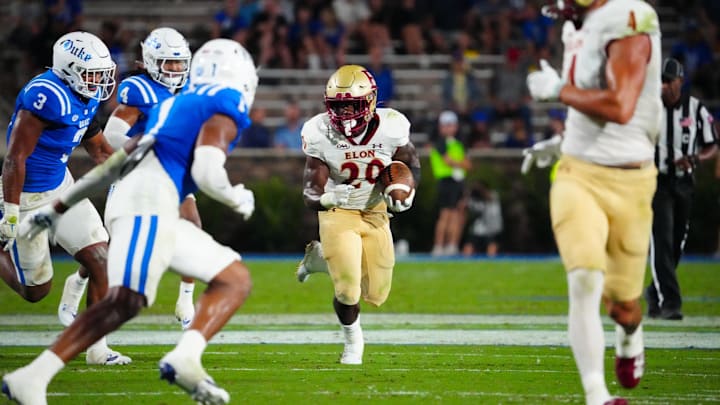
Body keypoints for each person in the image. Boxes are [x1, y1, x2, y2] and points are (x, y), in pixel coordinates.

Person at [2, 38, 258, 405]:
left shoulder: (177, 104)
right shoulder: (223, 102)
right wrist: (237, 196)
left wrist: (57, 208)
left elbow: (120, 157)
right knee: (125, 300)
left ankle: (185, 358)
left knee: (234, 278)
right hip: (147, 203)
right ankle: (32, 377)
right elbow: (205, 169)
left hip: (140, 198)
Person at [524, 1, 662, 404]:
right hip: (578, 172)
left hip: (633, 179)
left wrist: (557, 91)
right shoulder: (576, 24)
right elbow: (586, 110)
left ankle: (629, 336)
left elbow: (620, 107)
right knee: (583, 279)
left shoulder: (629, 20)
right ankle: (597, 396)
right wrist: (563, 142)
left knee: (623, 305)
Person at [0, 31, 130, 366]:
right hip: (27, 196)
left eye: (102, 73)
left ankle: (96, 349)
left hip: (61, 189)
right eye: (92, 74)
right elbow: (16, 158)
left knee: (101, 259)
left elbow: (99, 149)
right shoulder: (47, 96)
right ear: (68, 69)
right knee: (35, 292)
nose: (100, 81)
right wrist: (11, 212)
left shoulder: (85, 96)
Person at [57, 27, 201, 331]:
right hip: (135, 174)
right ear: (150, 61)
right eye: (168, 63)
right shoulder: (139, 90)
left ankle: (186, 301)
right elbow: (112, 135)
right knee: (115, 249)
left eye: (179, 63)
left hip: (170, 174)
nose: (175, 70)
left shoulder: (187, 90)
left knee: (192, 225)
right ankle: (78, 281)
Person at [294, 64, 421, 365]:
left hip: (376, 211)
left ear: (371, 101)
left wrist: (407, 192)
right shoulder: (319, 132)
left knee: (377, 294)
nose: (347, 114)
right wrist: (327, 197)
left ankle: (321, 260)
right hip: (339, 211)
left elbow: (410, 164)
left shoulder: (391, 126)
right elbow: (310, 190)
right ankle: (353, 344)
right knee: (348, 289)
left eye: (353, 105)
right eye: (339, 107)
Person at [646, 58, 718, 320]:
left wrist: (697, 158)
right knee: (662, 241)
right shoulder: (650, 109)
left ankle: (654, 293)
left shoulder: (695, 109)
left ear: (680, 80)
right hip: (658, 182)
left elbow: (712, 144)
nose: (665, 86)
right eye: (661, 81)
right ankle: (671, 303)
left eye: (669, 80)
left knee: (676, 243)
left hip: (685, 182)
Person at [429, 110, 471, 257]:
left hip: (458, 181)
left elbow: (467, 164)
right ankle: (439, 245)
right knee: (446, 214)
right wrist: (459, 164)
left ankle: (452, 245)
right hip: (446, 181)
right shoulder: (440, 143)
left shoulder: (458, 143)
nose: (449, 128)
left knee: (457, 215)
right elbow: (449, 161)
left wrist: (457, 164)